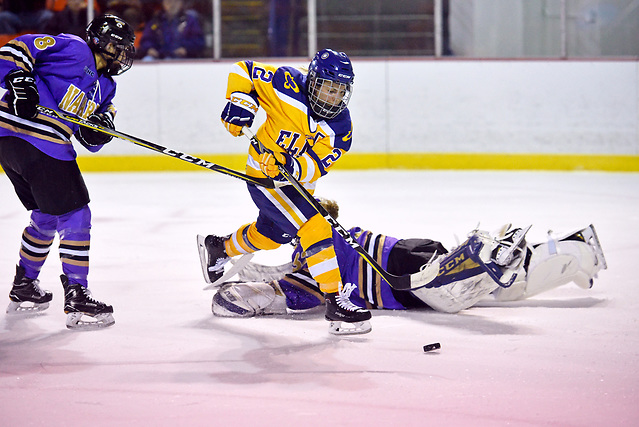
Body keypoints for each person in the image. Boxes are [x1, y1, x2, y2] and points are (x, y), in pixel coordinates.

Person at [210, 198, 607, 331]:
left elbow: (292, 292)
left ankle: (487, 253)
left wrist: (244, 294)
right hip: (409, 256)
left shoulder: (315, 252)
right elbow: (285, 275)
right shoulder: (313, 244)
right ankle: (572, 251)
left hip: (404, 274)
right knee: (505, 289)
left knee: (456, 294)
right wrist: (247, 271)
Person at [197, 49, 370, 334]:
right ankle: (335, 302)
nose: (333, 97)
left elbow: (317, 165)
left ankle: (220, 247)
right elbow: (245, 70)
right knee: (314, 225)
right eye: (328, 88)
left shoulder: (341, 126)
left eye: (340, 91)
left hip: (296, 186)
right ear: (313, 81)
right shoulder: (286, 83)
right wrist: (242, 102)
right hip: (264, 179)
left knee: (272, 235)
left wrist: (290, 164)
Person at [0, 14, 136, 329]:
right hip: (38, 140)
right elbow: (13, 51)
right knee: (77, 215)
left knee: (47, 216)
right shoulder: (74, 48)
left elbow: (93, 136)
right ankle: (78, 297)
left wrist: (101, 129)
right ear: (102, 41)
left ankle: (25, 286)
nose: (124, 53)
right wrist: (20, 81)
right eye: (120, 46)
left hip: (11, 145)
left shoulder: (107, 88)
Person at [138, 0, 204, 60]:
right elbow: (146, 39)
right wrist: (149, 48)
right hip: (158, 57)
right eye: (169, 2)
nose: (172, 5)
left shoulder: (190, 20)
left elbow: (198, 41)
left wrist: (187, 49)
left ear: (181, 3)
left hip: (181, 58)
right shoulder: (156, 20)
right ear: (163, 3)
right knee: (147, 60)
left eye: (175, 2)